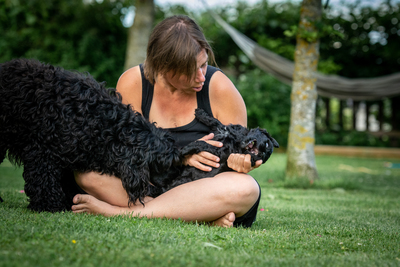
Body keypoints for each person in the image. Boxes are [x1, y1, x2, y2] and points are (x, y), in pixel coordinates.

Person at [71, 15, 263, 228]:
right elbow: (122, 151)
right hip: (150, 185)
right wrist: (181, 157)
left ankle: (122, 213)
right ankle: (197, 215)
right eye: (191, 71)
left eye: (204, 65)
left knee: (245, 188)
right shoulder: (134, 82)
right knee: (87, 174)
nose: (201, 76)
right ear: (163, 66)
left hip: (202, 188)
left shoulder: (219, 87)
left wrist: (242, 160)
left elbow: (240, 148)